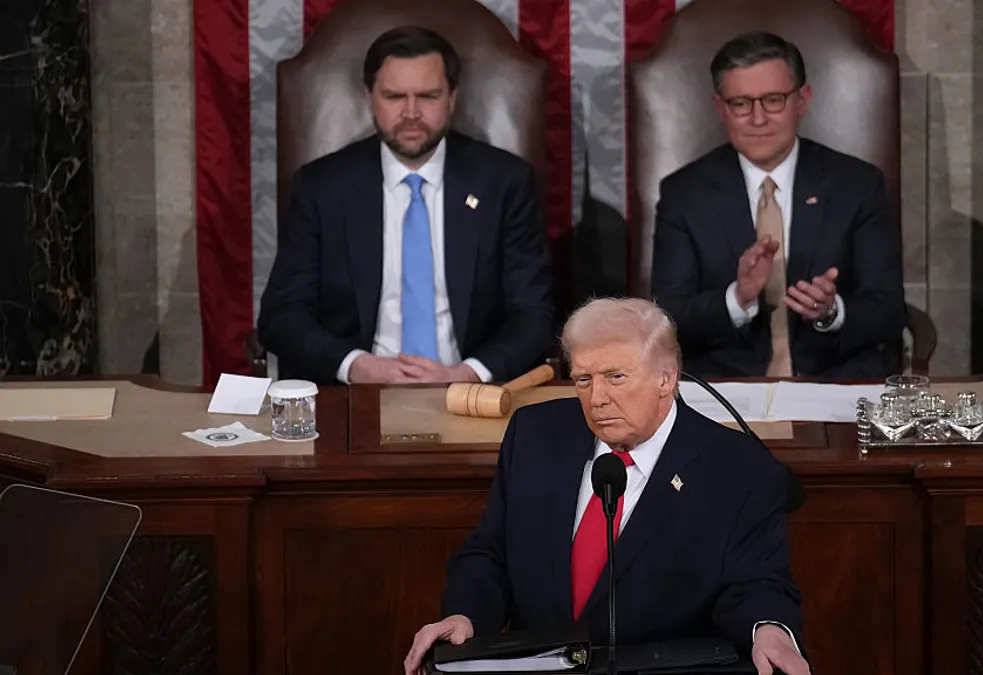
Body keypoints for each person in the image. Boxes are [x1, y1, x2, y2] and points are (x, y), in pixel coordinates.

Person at [403, 297, 812, 675]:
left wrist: (770, 629)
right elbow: (489, 554)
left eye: (616, 377)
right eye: (583, 379)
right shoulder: (534, 436)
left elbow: (758, 584)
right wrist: (465, 614)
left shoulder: (738, 469)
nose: (597, 398)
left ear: (666, 379)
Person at [257, 26, 555, 386]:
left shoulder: (504, 182)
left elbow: (534, 313)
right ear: (370, 97)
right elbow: (282, 315)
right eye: (395, 96)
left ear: (452, 98)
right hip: (358, 398)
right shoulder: (323, 187)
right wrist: (354, 366)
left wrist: (469, 374)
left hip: (471, 394)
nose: (411, 113)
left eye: (428, 96)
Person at [651, 31, 906, 380]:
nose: (758, 119)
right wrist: (736, 298)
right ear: (720, 108)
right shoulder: (685, 193)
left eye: (773, 100)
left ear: (803, 99)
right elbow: (668, 317)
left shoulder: (857, 185)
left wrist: (831, 312)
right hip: (726, 387)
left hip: (835, 379)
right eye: (741, 103)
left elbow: (888, 309)